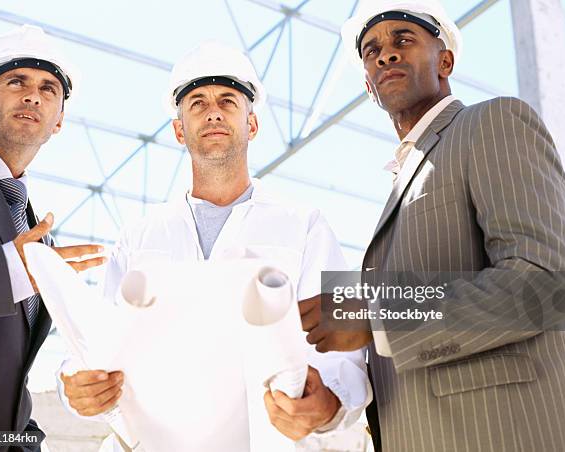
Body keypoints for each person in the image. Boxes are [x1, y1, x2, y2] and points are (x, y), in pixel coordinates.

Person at [58, 41, 371, 448]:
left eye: (228, 100)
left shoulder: (307, 225)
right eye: (197, 103)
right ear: (178, 129)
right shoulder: (138, 237)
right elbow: (95, 347)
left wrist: (331, 405)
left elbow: (346, 350)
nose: (214, 112)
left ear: (252, 124)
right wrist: (76, 389)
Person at [300, 1, 565, 451]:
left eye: (403, 39)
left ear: (445, 60)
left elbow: (545, 286)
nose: (385, 53)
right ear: (369, 86)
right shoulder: (401, 181)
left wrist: (377, 312)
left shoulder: (492, 122)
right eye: (372, 51)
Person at [0, 25, 105, 451]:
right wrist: (7, 273)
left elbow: (7, 374)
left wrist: (22, 439)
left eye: (48, 88)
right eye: (16, 81)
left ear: (58, 120)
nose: (32, 95)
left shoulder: (32, 227)